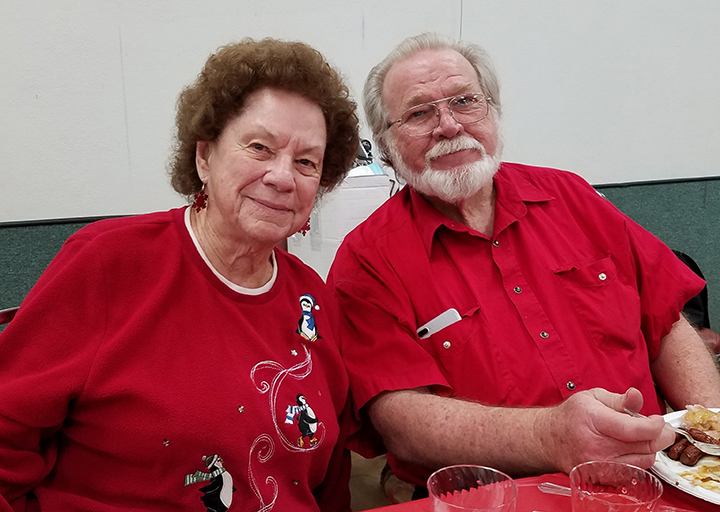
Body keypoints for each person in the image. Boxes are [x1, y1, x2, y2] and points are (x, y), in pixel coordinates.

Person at [327, 32, 720, 496]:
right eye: (419, 113)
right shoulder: (366, 260)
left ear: (491, 111)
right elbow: (400, 419)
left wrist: (710, 429)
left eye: (465, 101)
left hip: (652, 480)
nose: (449, 126)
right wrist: (550, 436)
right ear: (388, 146)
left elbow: (665, 318)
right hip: (491, 498)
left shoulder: (573, 197)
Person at [0, 38, 359, 511]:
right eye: (259, 147)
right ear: (204, 157)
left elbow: (328, 482)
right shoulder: (109, 263)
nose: (282, 176)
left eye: (306, 162)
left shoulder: (313, 299)